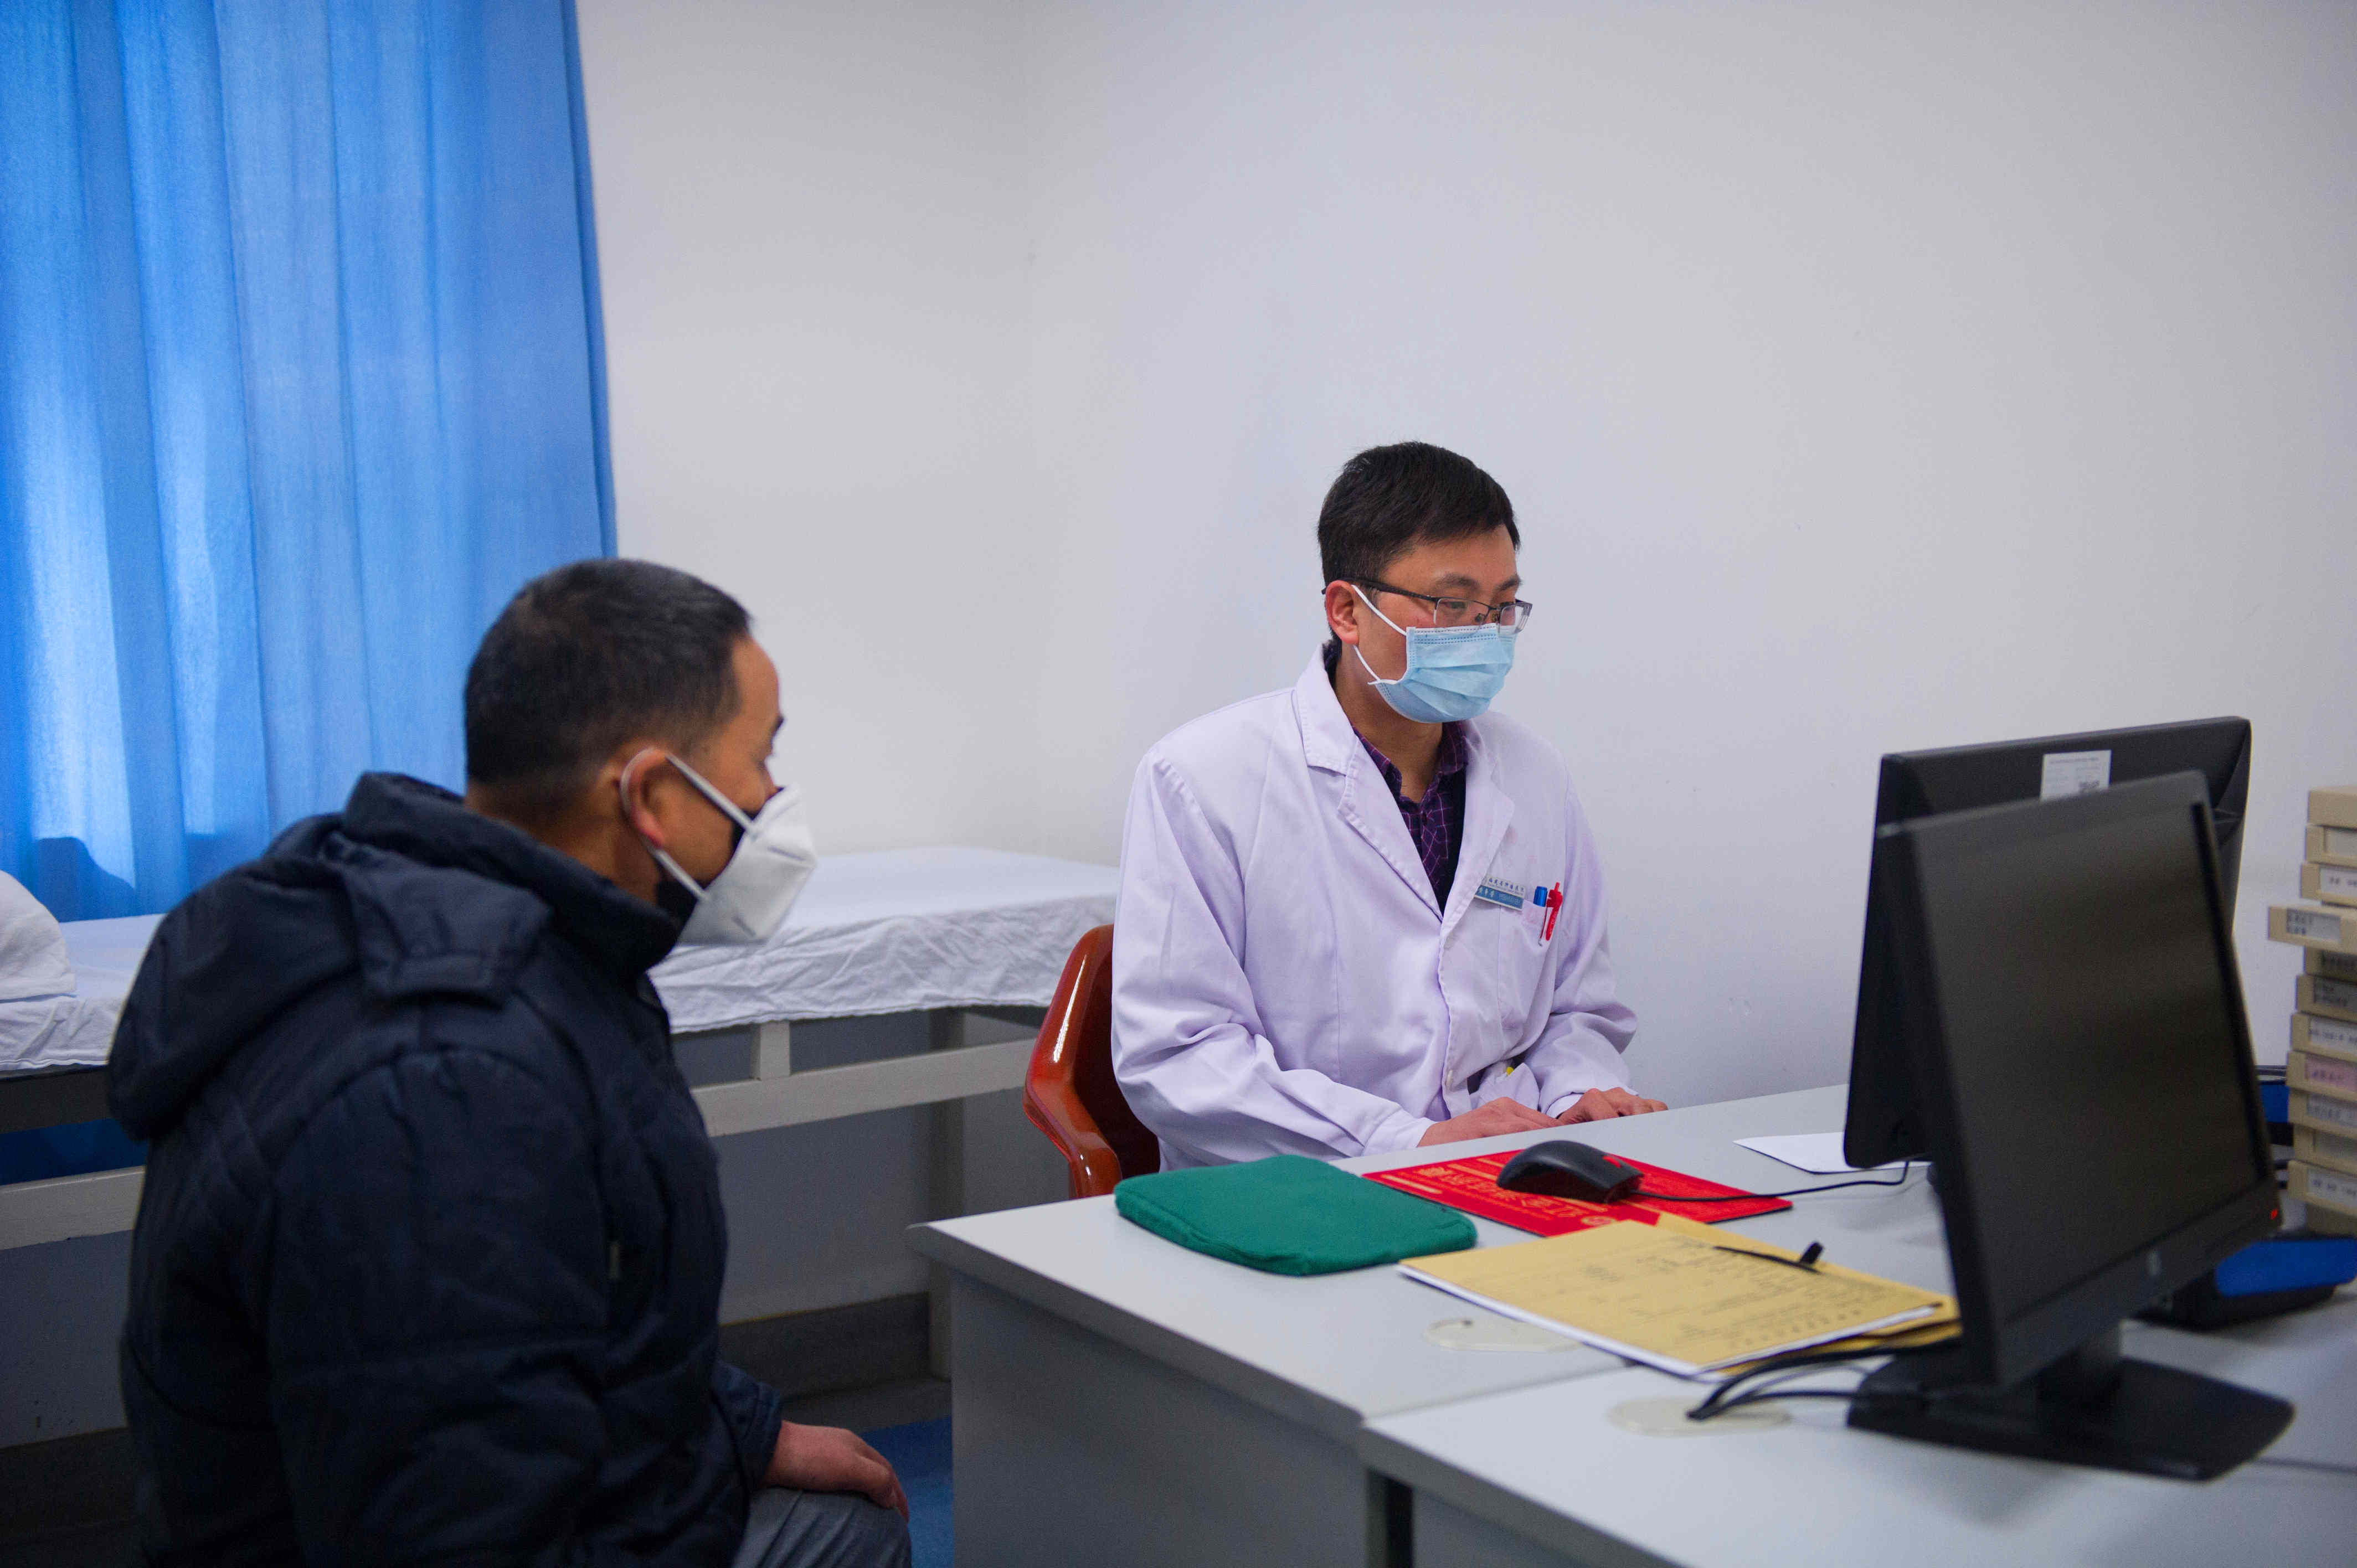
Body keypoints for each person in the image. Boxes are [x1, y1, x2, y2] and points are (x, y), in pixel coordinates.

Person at [110, 560, 910, 1567]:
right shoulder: (449, 1086)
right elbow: (452, 1522)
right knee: (851, 1543)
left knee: (847, 1519)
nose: (773, 798)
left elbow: (547, 1312)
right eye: (762, 757)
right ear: (652, 794)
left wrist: (745, 1433)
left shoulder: (475, 926)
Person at [1112, 442, 1665, 1168]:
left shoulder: (1535, 776)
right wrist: (1407, 1141)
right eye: (1453, 604)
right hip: (1298, 1190)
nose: (1484, 634)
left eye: (1502, 607)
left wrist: (1577, 1098)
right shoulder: (1201, 779)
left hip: (1506, 1171)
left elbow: (1576, 1012)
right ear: (1347, 610)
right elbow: (1179, 1057)